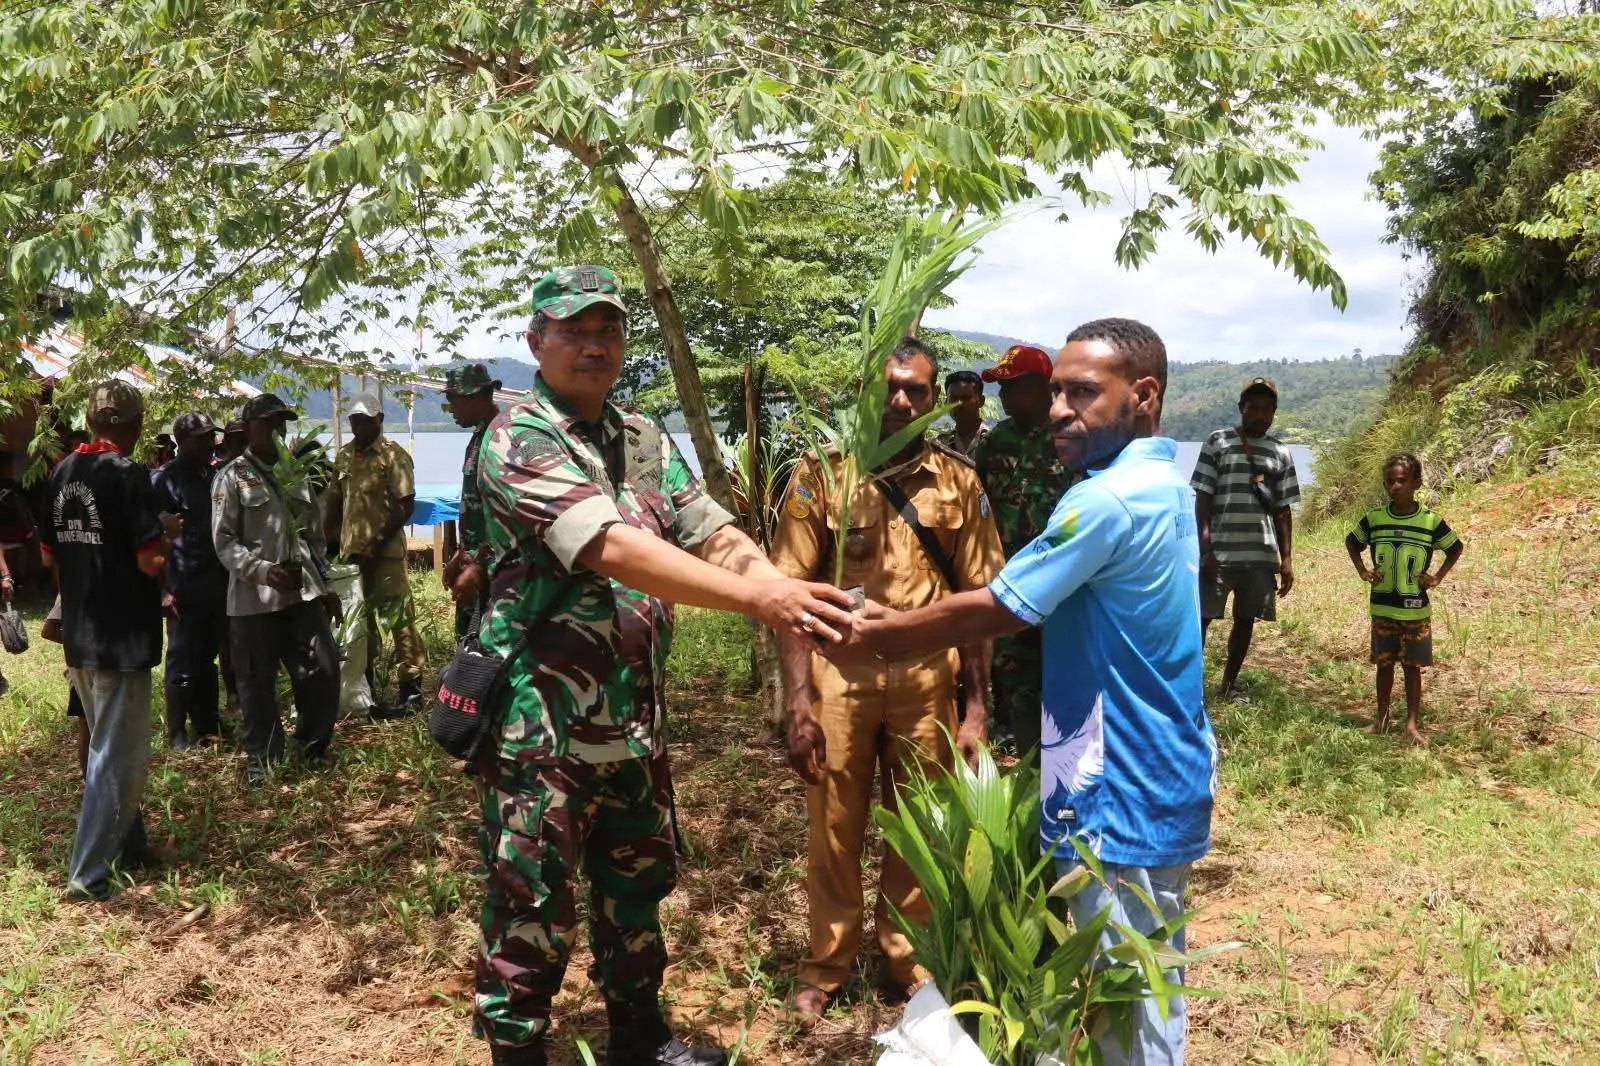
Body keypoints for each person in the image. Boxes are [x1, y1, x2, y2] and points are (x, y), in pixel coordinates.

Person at [471, 264, 854, 1066]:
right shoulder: (518, 437)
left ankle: (638, 1037)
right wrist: (761, 604)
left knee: (637, 883)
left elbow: (711, 531)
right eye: (573, 330)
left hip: (631, 718)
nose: (593, 345)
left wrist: (783, 587)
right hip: (543, 724)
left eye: (607, 329)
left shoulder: (642, 437)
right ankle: (516, 1048)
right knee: (531, 894)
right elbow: (614, 548)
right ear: (535, 341)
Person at [823, 319, 1215, 1066]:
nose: (1062, 407)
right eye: (1058, 390)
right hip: (1138, 764)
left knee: (1131, 995)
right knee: (1128, 982)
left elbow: (1000, 604)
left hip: (1117, 781)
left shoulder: (1105, 502)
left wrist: (883, 631)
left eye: (1082, 392)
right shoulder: (1160, 480)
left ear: (1144, 394)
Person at [771, 336, 1004, 1023]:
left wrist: (976, 709)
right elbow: (786, 600)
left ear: (934, 402)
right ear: (867, 391)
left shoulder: (959, 481)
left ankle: (908, 961)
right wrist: (799, 702)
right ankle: (826, 965)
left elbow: (982, 604)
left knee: (921, 825)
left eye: (918, 391)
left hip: (929, 678)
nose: (902, 399)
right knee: (834, 828)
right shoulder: (820, 476)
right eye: (892, 386)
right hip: (838, 675)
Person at [38, 380, 171, 901]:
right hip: (123, 635)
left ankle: (132, 846)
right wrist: (170, 540)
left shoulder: (61, 472)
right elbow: (148, 559)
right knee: (115, 757)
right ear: (135, 427)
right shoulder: (129, 474)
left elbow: (50, 559)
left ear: (92, 422)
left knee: (107, 746)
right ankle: (87, 875)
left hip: (83, 635)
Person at [212, 393, 343, 785]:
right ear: (249, 427)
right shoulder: (231, 478)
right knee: (255, 683)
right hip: (253, 601)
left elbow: (314, 539)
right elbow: (224, 542)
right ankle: (262, 760)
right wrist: (262, 571)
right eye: (268, 423)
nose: (276, 430)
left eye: (281, 423)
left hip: (301, 595)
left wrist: (326, 585)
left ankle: (312, 746)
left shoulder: (295, 475)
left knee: (322, 668)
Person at [971, 343, 1077, 758]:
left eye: (1011, 386)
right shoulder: (997, 441)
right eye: (1001, 387)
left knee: (1064, 677)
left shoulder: (1069, 438)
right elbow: (979, 504)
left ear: (1039, 387)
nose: (1003, 396)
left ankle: (1063, 761)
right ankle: (1027, 757)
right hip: (1009, 582)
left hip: (1063, 587)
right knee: (1013, 678)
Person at [1191, 377, 1301, 699]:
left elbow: (1283, 510)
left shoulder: (1280, 452)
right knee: (1201, 620)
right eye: (1253, 407)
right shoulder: (1217, 442)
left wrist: (1287, 559)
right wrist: (1205, 550)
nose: (1259, 414)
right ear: (1241, 408)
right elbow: (1203, 499)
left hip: (1260, 556)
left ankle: (1227, 685)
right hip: (1220, 555)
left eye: (1267, 409)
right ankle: (1189, 687)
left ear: (1274, 413)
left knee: (1245, 620)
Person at [1345, 453, 1463, 745]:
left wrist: (1436, 577)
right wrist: (1363, 570)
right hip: (1383, 606)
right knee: (1384, 664)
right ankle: (1382, 719)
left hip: (1415, 611)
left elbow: (1455, 547)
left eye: (1402, 481)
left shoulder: (1430, 521)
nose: (1395, 487)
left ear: (1417, 483)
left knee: (1412, 667)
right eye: (1390, 481)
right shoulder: (1375, 519)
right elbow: (1352, 541)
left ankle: (1411, 725)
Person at [325, 392, 426, 715]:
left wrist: (376, 543)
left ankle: (411, 689)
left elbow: (404, 506)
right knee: (358, 622)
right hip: (351, 557)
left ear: (379, 420)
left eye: (364, 420)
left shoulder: (392, 457)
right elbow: (335, 501)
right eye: (353, 420)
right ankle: (364, 685)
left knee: (399, 620)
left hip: (384, 555)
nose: (358, 426)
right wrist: (329, 543)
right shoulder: (343, 456)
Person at [151, 413, 229, 750]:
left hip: (216, 582)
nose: (210, 442)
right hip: (181, 585)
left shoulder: (215, 476)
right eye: (202, 437)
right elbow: (149, 537)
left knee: (207, 656)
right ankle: (176, 733)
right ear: (181, 441)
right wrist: (162, 590)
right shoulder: (163, 480)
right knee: (182, 657)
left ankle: (206, 723)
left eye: (211, 436)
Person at [440, 362, 501, 640]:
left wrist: (478, 566)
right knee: (467, 644)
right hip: (475, 565)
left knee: (484, 653)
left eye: (453, 400)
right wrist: (460, 555)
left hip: (494, 575)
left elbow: (506, 515)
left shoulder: (502, 439)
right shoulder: (479, 436)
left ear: (475, 396)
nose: (450, 408)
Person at [932, 368, 988, 455]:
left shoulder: (997, 442)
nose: (959, 403)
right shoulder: (939, 446)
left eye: (966, 397)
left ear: (981, 401)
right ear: (946, 403)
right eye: (954, 398)